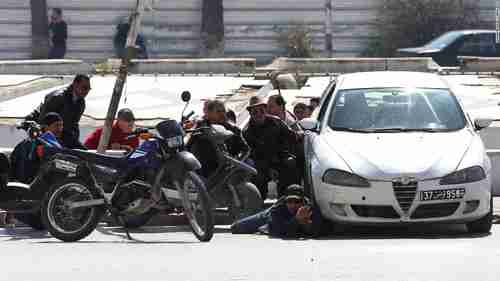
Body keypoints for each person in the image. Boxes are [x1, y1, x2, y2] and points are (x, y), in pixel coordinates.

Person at [243, 96, 299, 198]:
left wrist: (300, 134)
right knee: (256, 176)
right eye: (255, 112)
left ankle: (288, 200)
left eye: (261, 110)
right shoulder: (247, 132)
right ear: (250, 113)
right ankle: (258, 203)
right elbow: (252, 154)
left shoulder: (277, 122)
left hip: (280, 159)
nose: (259, 114)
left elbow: (292, 136)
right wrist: (268, 168)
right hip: (261, 164)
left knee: (291, 165)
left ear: (265, 110)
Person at [231, 184, 330, 238]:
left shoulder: (311, 209)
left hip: (283, 222)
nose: (293, 205)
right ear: (285, 200)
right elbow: (278, 231)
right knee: (236, 227)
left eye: (297, 201)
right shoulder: (278, 208)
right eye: (289, 201)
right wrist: (296, 220)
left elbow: (317, 231)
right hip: (269, 216)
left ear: (303, 202)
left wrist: (306, 225)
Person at [25, 74, 90, 149]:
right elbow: (43, 122)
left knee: (82, 151)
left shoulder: (81, 102)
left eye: (89, 89)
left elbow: (74, 125)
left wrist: (74, 141)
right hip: (48, 134)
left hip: (63, 134)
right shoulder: (58, 98)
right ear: (75, 84)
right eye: (84, 88)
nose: (86, 91)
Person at [190, 100, 249, 178]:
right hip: (208, 170)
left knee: (249, 163)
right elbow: (189, 147)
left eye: (223, 111)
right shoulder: (201, 128)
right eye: (218, 111)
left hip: (231, 166)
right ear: (209, 114)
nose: (222, 114)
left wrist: (237, 160)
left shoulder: (233, 129)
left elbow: (245, 149)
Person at [10, 112, 64, 185]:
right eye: (57, 125)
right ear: (46, 127)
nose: (60, 129)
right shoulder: (30, 143)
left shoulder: (59, 142)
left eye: (61, 125)